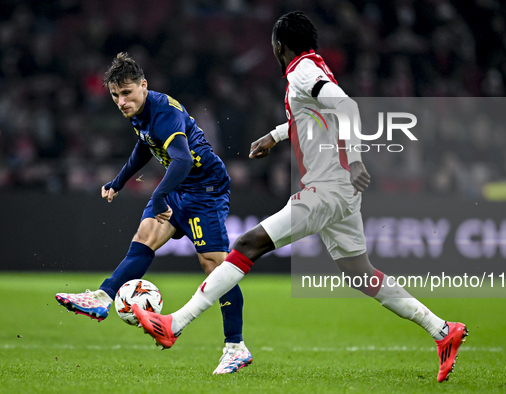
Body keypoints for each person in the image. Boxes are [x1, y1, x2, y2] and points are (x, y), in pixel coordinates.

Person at [132, 12, 468, 382]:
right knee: (361, 275)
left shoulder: (301, 71)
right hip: (340, 193)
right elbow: (312, 114)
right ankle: (442, 330)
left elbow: (348, 108)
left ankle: (175, 324)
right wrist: (274, 137)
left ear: (279, 45)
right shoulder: (313, 68)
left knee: (247, 244)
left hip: (326, 189)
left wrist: (355, 160)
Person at [55, 52, 252, 375]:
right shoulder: (139, 113)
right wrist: (119, 181)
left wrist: (159, 194)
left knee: (216, 268)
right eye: (115, 95)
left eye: (127, 92)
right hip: (178, 186)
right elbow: (145, 145)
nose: (121, 101)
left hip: (205, 191)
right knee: (144, 237)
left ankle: (236, 347)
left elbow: (184, 160)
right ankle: (104, 297)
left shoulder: (164, 114)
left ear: (144, 86)